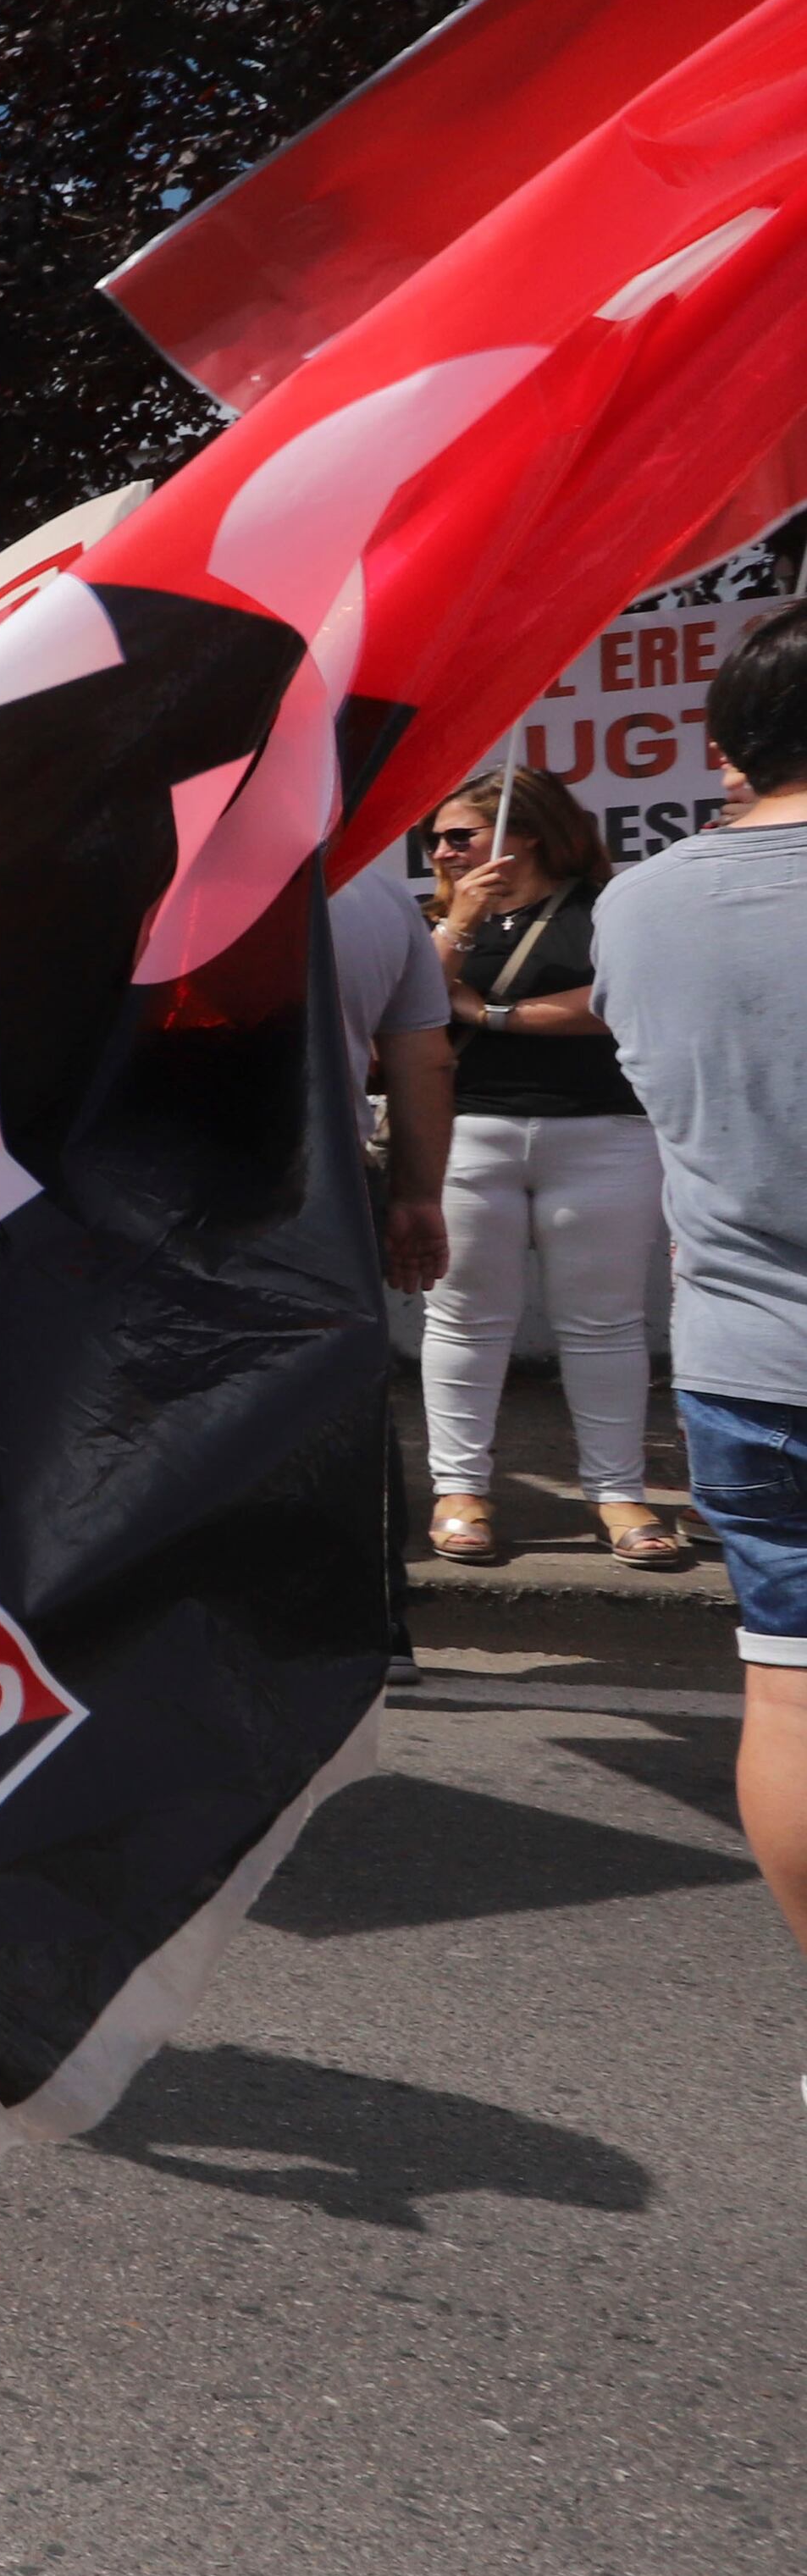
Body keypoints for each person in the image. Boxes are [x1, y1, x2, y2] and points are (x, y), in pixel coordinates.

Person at [594, 601, 807, 2004]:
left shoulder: (635, 902)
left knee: (788, 1685)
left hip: (743, 1357)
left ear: (723, 749)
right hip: (734, 1347)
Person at [418, 769, 683, 1567]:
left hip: (601, 1132)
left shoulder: (603, 907)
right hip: (468, 1132)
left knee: (604, 1324)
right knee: (463, 1319)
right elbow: (412, 1010)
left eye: (459, 835)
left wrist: (492, 1013)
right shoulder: (436, 918)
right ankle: (459, 1489)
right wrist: (459, 920)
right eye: (432, 840)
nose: (441, 850)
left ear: (522, 834)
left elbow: (615, 1002)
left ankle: (618, 1494)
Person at [326, 855, 456, 1680]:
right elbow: (422, 1060)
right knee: (342, 1398)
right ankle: (372, 1620)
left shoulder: (136, 853)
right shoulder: (373, 885)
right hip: (325, 1181)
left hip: (144, 1185)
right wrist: (416, 1193)